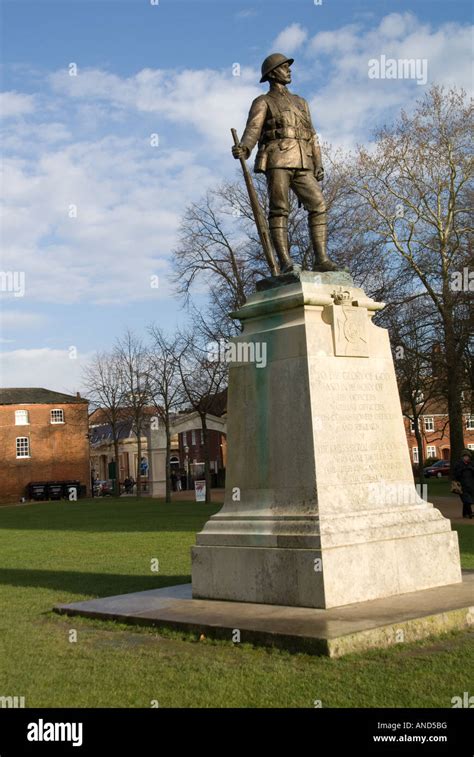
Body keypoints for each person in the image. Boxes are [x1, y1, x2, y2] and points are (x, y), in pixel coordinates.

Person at [232, 53, 337, 274]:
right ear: (272, 73)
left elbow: (312, 134)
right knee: (279, 210)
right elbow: (253, 129)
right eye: (284, 67)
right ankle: (286, 263)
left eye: (289, 67)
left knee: (318, 205)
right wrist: (244, 147)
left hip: (303, 161)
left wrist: (318, 162)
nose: (289, 70)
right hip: (277, 158)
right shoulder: (263, 101)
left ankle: (322, 259)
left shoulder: (301, 102)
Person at [453, 449, 474, 519]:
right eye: (465, 456)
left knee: (468, 500)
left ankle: (464, 513)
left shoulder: (471, 464)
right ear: (462, 457)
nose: (466, 458)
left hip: (470, 484)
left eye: (467, 456)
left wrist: (471, 469)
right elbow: (455, 475)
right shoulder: (458, 464)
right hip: (462, 485)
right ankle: (470, 513)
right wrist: (462, 470)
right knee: (467, 499)